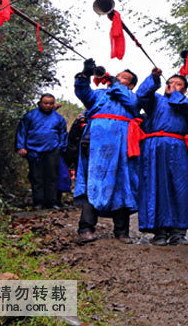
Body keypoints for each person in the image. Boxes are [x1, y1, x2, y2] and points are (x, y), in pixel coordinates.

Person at [74, 60, 141, 244]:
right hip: (94, 143)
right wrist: (85, 75)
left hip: (121, 146)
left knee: (122, 183)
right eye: (119, 75)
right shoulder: (99, 95)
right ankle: (86, 228)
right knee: (92, 183)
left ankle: (121, 231)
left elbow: (132, 102)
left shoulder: (132, 97)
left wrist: (114, 82)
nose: (119, 78)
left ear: (131, 84)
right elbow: (83, 93)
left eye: (125, 78)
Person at [136, 69, 188, 246]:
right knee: (156, 186)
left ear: (185, 90)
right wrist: (154, 78)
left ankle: (178, 233)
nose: (173, 85)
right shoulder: (155, 100)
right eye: (170, 83)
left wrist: (176, 96)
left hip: (178, 146)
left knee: (180, 188)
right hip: (154, 146)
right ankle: (159, 232)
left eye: (178, 84)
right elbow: (142, 94)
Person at [16, 94, 67, 209]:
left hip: (52, 150)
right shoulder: (30, 116)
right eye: (45, 103)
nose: (48, 106)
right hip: (33, 150)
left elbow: (63, 134)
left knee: (52, 176)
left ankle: (52, 201)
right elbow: (22, 131)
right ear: (40, 103)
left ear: (54, 104)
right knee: (36, 176)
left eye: (50, 103)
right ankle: (38, 201)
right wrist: (21, 147)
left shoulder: (58, 118)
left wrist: (61, 148)